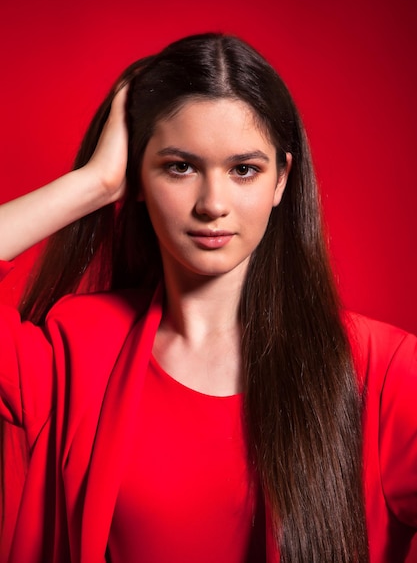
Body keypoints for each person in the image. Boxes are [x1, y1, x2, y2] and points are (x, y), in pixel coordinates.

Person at [0, 33, 416, 563]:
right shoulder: (77, 347)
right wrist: (94, 185)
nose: (212, 204)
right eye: (180, 167)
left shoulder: (382, 373)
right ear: (138, 178)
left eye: (244, 169)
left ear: (281, 180)